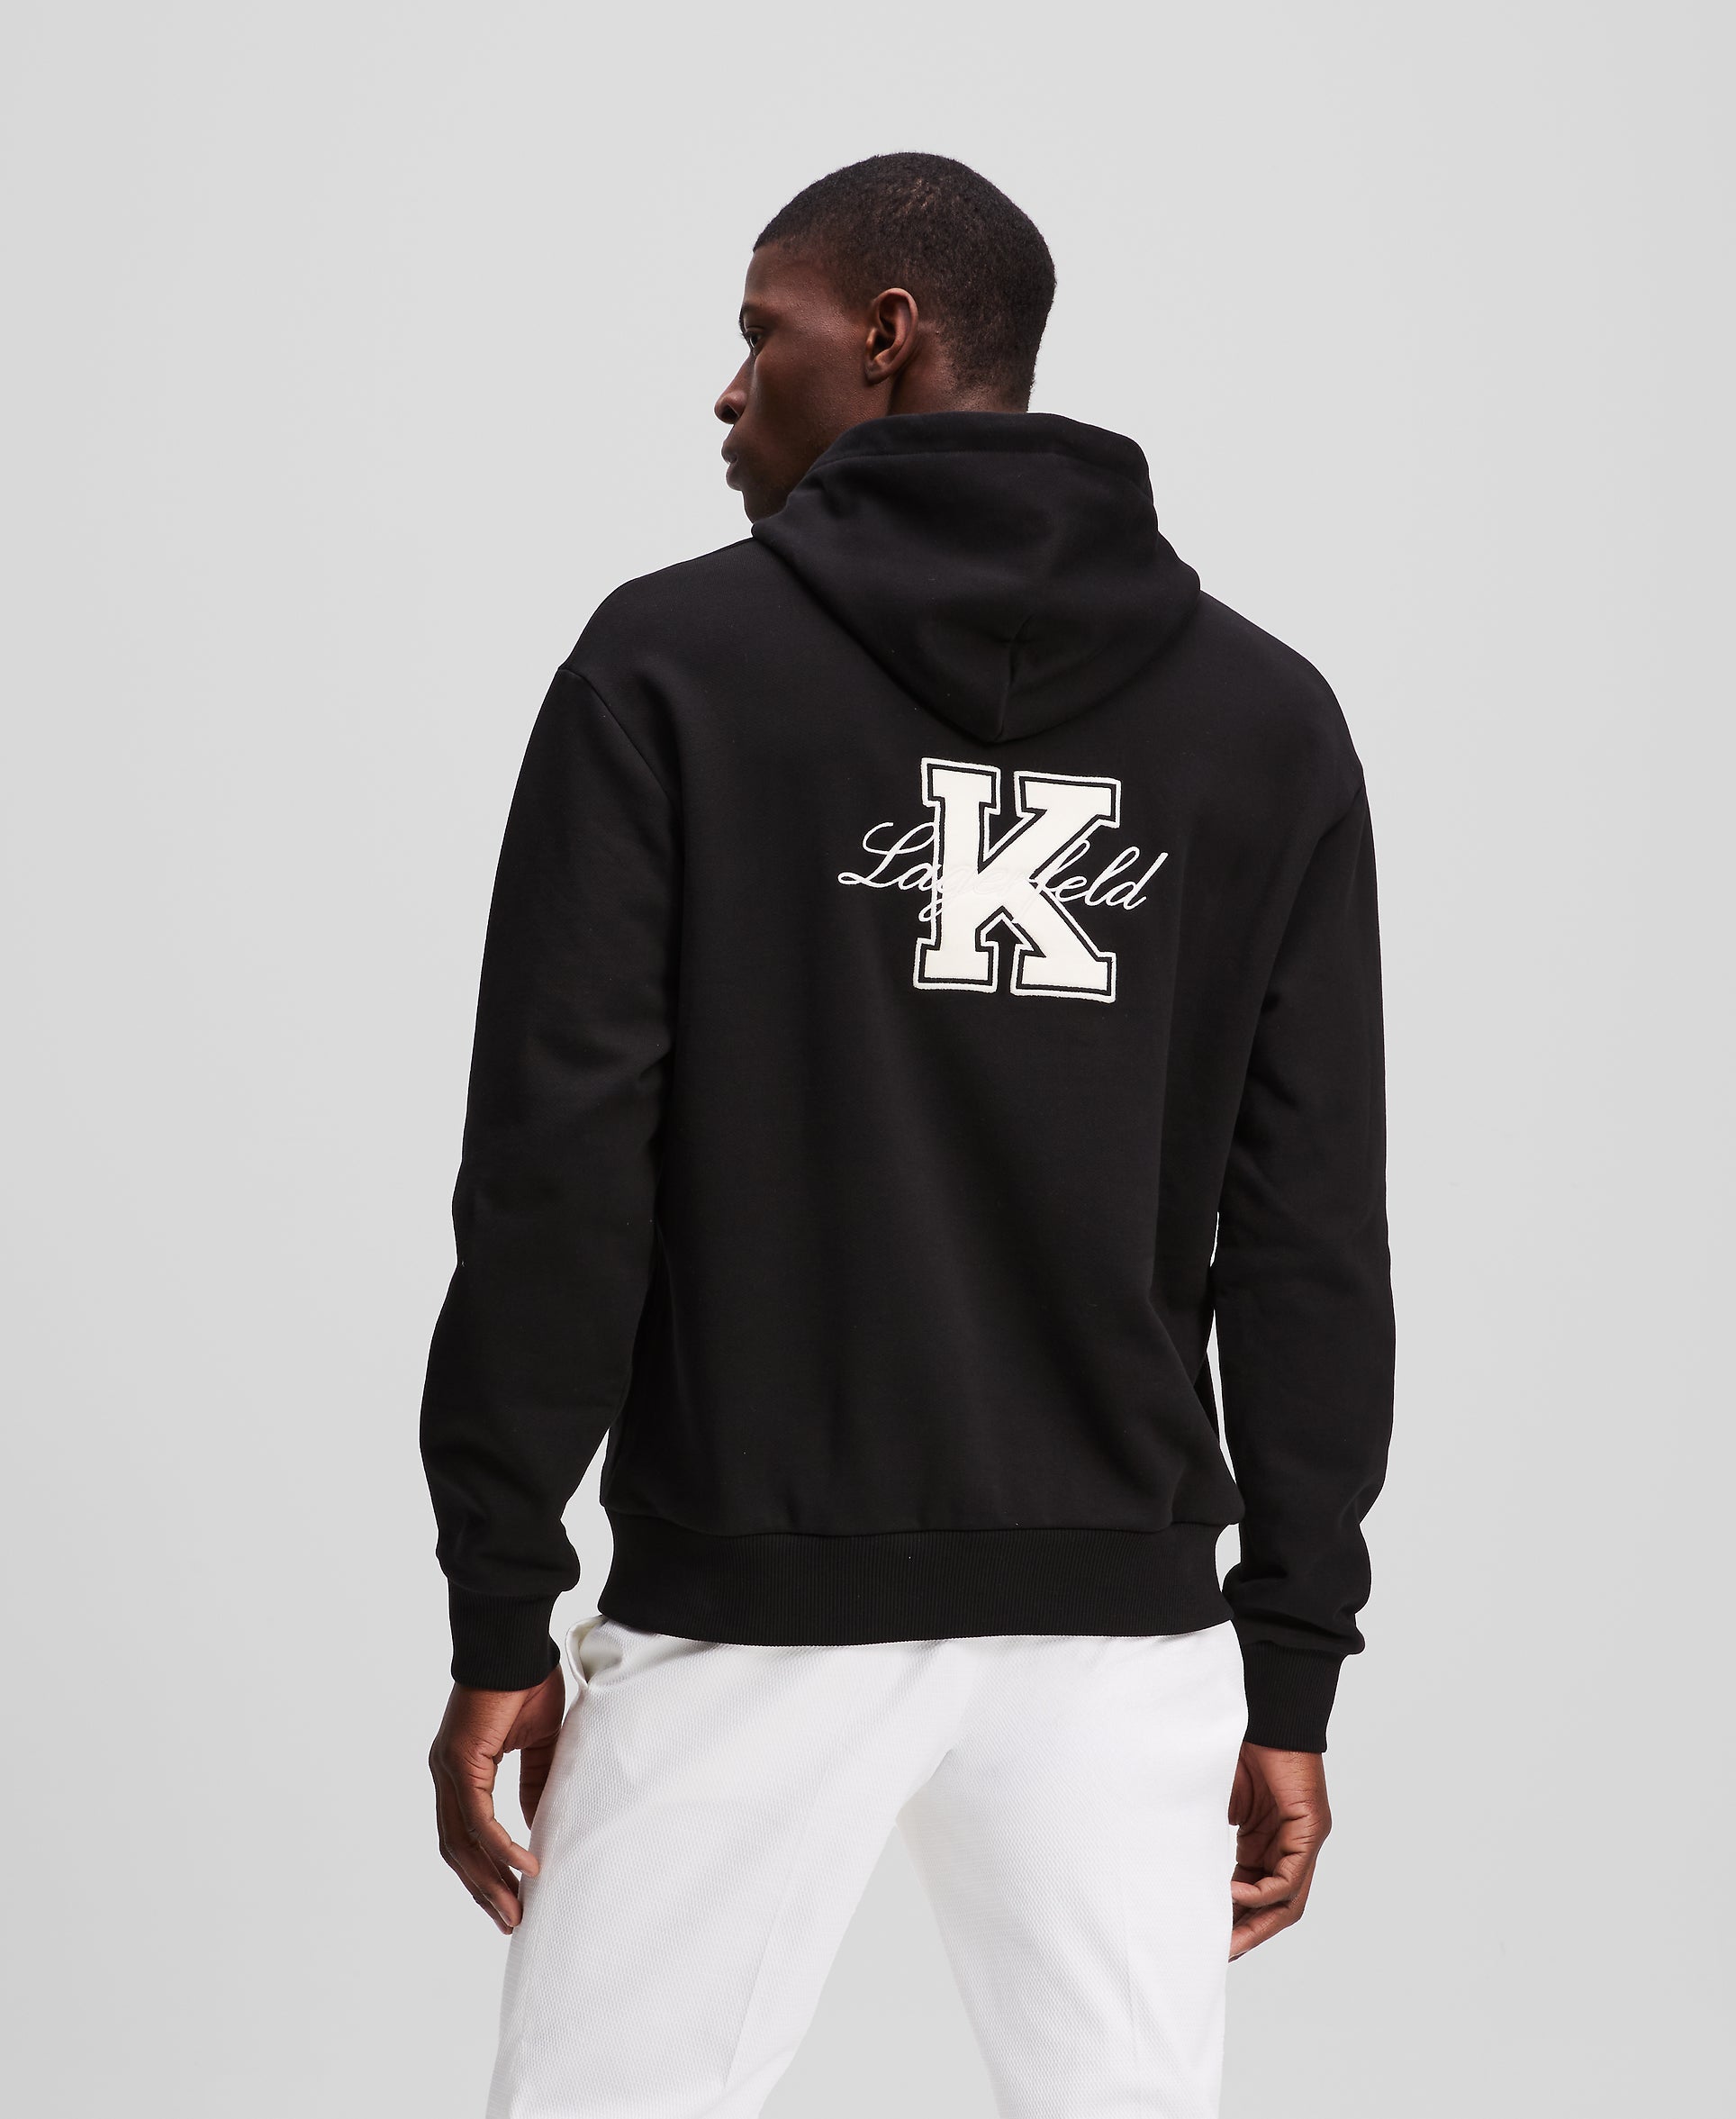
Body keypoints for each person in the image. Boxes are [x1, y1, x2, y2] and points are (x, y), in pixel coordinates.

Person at [421, 151, 1393, 2119]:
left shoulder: (669, 666)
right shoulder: (1263, 718)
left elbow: (559, 1169)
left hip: (753, 1588)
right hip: (1121, 1625)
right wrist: (1287, 1658)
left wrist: (501, 1595)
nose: (727, 390)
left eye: (757, 333)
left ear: (883, 336)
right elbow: (1307, 1228)